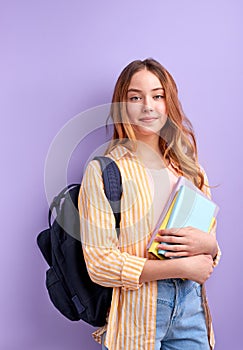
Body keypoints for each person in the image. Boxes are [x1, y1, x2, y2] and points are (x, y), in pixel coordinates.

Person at [78, 58, 221, 350]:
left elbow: (210, 252)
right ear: (122, 104)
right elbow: (99, 264)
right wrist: (181, 268)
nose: (148, 106)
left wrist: (211, 247)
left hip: (192, 309)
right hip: (136, 314)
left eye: (157, 96)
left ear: (169, 103)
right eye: (135, 97)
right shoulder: (105, 171)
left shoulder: (191, 171)